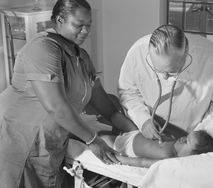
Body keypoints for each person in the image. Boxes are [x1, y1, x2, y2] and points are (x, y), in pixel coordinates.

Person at [0, 0, 137, 187]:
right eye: (78, 25)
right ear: (59, 20)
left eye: (88, 25)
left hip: (50, 142)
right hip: (19, 138)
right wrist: (93, 140)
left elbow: (107, 107)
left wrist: (135, 131)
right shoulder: (42, 48)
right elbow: (56, 107)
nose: (85, 31)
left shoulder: (82, 57)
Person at [118, 24, 213, 141]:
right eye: (157, 70)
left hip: (193, 131)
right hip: (149, 129)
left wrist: (201, 135)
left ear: (186, 53)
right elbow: (127, 92)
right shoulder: (137, 52)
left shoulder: (212, 58)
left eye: (172, 71)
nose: (164, 77)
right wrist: (142, 120)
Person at [101, 130, 213, 168]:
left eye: (187, 141)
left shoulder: (169, 159)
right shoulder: (175, 142)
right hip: (134, 133)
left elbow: (142, 162)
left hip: (123, 146)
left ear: (192, 156)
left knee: (101, 138)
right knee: (103, 132)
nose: (182, 139)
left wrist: (119, 159)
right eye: (186, 137)